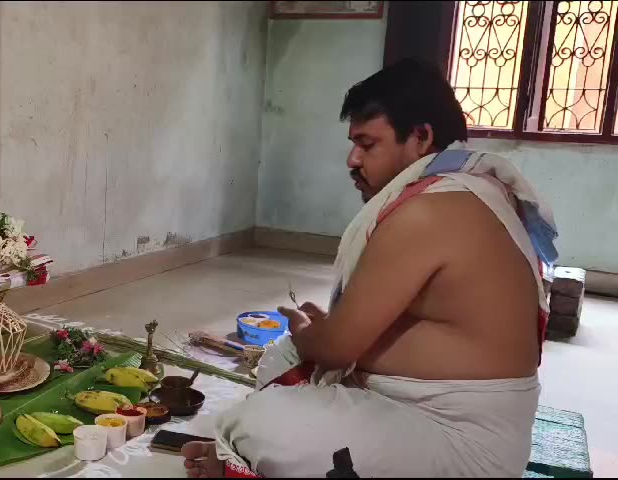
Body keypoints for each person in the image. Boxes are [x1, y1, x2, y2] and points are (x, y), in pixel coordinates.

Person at [182, 58, 558, 478]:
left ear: (420, 137)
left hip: (458, 438)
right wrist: (324, 335)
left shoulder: (431, 210)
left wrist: (315, 335)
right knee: (280, 360)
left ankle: (244, 462)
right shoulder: (465, 190)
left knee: (254, 426)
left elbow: (338, 349)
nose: (352, 159)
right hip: (419, 410)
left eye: (368, 144)